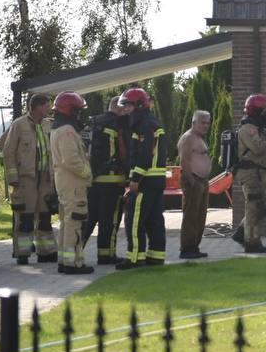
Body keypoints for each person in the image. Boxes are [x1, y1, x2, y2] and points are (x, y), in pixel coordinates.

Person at [0, 93, 58, 264]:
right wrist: (13, 180)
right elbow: (7, 151)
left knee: (45, 217)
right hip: (26, 180)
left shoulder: (48, 125)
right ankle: (23, 253)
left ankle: (46, 252)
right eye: (46, 105)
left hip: (45, 179)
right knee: (25, 218)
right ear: (36, 107)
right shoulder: (19, 125)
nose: (48, 108)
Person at [116, 87, 168, 269]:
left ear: (138, 104)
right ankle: (156, 256)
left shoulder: (144, 125)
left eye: (128, 106)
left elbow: (144, 155)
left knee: (134, 219)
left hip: (145, 181)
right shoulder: (151, 122)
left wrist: (135, 179)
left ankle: (135, 258)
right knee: (155, 220)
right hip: (157, 180)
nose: (125, 109)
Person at [49, 91, 94, 274]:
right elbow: (71, 159)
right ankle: (72, 264)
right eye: (77, 110)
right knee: (75, 222)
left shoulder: (58, 128)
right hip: (73, 183)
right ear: (70, 110)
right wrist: (87, 173)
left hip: (65, 182)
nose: (79, 115)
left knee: (68, 222)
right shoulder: (67, 131)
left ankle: (64, 261)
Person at [85, 95, 131, 264]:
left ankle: (75, 252)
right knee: (110, 220)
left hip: (94, 180)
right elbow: (123, 152)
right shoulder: (119, 124)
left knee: (90, 218)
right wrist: (129, 175)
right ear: (118, 108)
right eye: (124, 108)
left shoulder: (94, 122)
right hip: (113, 180)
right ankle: (106, 255)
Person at [232, 93, 266, 254]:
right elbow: (258, 148)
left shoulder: (258, 128)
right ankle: (252, 243)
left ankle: (241, 233)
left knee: (265, 204)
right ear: (257, 111)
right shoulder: (247, 128)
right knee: (254, 206)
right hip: (250, 173)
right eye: (265, 111)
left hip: (260, 173)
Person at [176, 110, 212, 259]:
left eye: (208, 123)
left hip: (201, 181)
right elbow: (184, 161)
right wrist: (192, 182)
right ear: (194, 122)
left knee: (200, 216)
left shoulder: (199, 138)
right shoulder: (189, 138)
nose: (206, 126)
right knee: (191, 216)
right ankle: (187, 248)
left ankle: (194, 247)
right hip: (193, 181)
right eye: (202, 122)